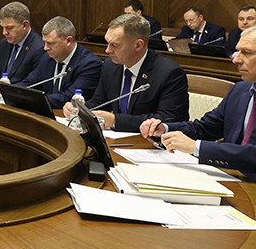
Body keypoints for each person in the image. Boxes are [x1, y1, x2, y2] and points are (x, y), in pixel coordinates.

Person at [140, 26, 256, 181]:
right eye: (238, 51)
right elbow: (205, 128)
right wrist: (165, 129)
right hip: (231, 177)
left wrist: (196, 147)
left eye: (246, 53)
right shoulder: (241, 90)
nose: (236, 59)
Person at [64, 13, 189, 132]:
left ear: (138, 45)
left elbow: (168, 119)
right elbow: (99, 102)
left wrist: (115, 120)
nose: (107, 50)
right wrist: (79, 109)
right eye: (107, 43)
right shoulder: (110, 65)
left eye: (115, 45)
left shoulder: (169, 73)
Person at [17, 16, 102, 109]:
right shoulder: (47, 58)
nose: (45, 48)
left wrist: (32, 99)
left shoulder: (90, 64)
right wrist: (12, 92)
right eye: (44, 42)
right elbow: (29, 83)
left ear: (68, 40)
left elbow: (69, 98)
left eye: (50, 43)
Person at [0, 1, 44, 94]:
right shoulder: (4, 44)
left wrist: (6, 90)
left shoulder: (39, 48)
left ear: (25, 25)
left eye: (9, 28)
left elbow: (31, 83)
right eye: (3, 27)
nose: (4, 33)